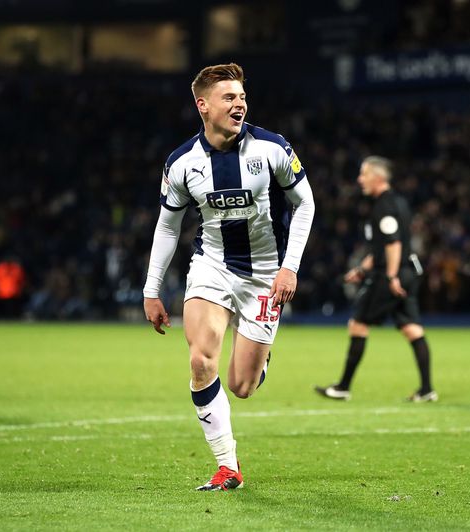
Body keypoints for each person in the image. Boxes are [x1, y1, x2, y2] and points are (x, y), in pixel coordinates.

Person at [142, 63, 315, 491]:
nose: (240, 104)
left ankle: (260, 360)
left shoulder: (271, 148)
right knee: (201, 358)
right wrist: (151, 290)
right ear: (203, 105)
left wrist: (289, 266)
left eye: (241, 96)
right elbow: (168, 227)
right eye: (229, 97)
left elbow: (306, 204)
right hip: (212, 265)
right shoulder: (182, 162)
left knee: (241, 386)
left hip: (263, 275)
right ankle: (227, 465)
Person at [315, 156, 436, 402]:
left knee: (358, 324)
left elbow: (393, 244)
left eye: (364, 174)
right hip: (408, 271)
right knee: (412, 329)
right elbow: (382, 246)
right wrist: (361, 269)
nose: (360, 179)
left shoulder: (384, 206)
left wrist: (391, 277)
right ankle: (426, 390)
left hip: (392, 274)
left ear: (378, 177)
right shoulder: (398, 202)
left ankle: (343, 387)